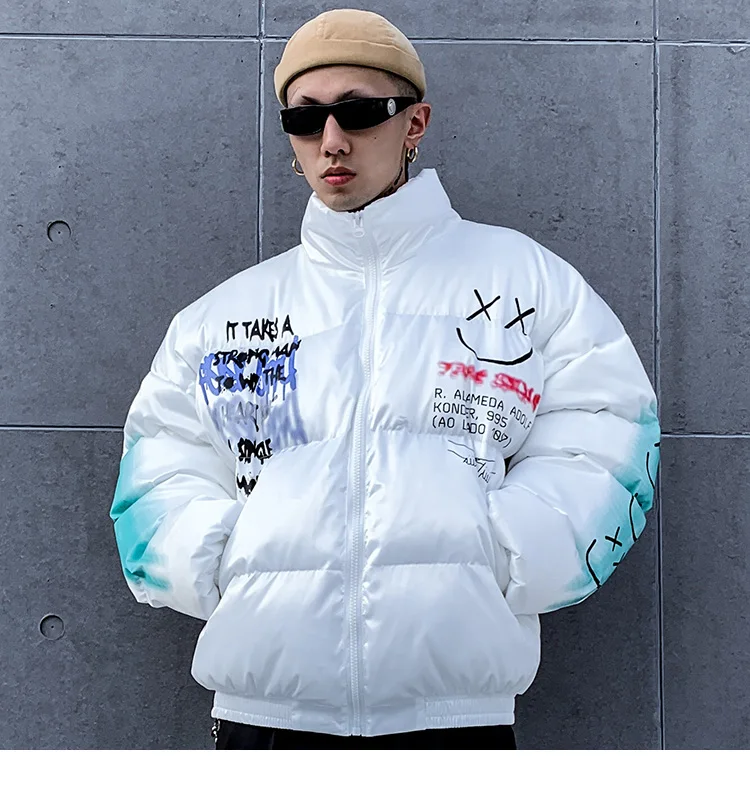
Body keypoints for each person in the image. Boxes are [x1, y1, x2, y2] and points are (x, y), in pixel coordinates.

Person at [109, 8, 661, 750]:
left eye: (360, 112)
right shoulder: (224, 316)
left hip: (455, 719)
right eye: (305, 119)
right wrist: (228, 561)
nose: (332, 140)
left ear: (414, 123)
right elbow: (159, 467)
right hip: (266, 718)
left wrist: (503, 551)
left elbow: (609, 432)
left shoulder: (525, 283)